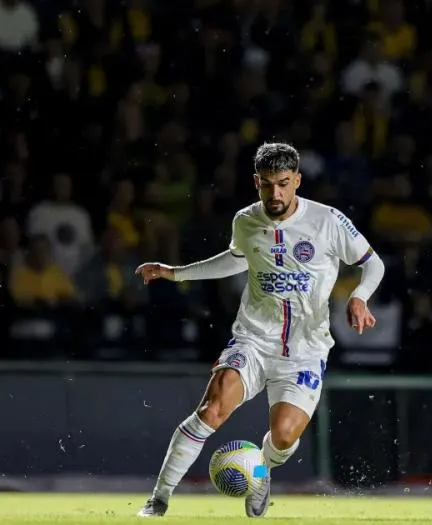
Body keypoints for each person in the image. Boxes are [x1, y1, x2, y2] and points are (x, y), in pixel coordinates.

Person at [135, 143, 385, 517]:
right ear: (256, 182)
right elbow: (235, 260)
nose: (276, 193)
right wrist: (175, 272)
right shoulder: (245, 221)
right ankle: (159, 499)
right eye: (267, 184)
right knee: (211, 409)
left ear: (297, 180)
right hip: (253, 338)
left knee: (284, 436)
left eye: (283, 183)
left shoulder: (328, 221)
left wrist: (360, 297)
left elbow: (374, 264)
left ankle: (263, 469)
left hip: (305, 348)